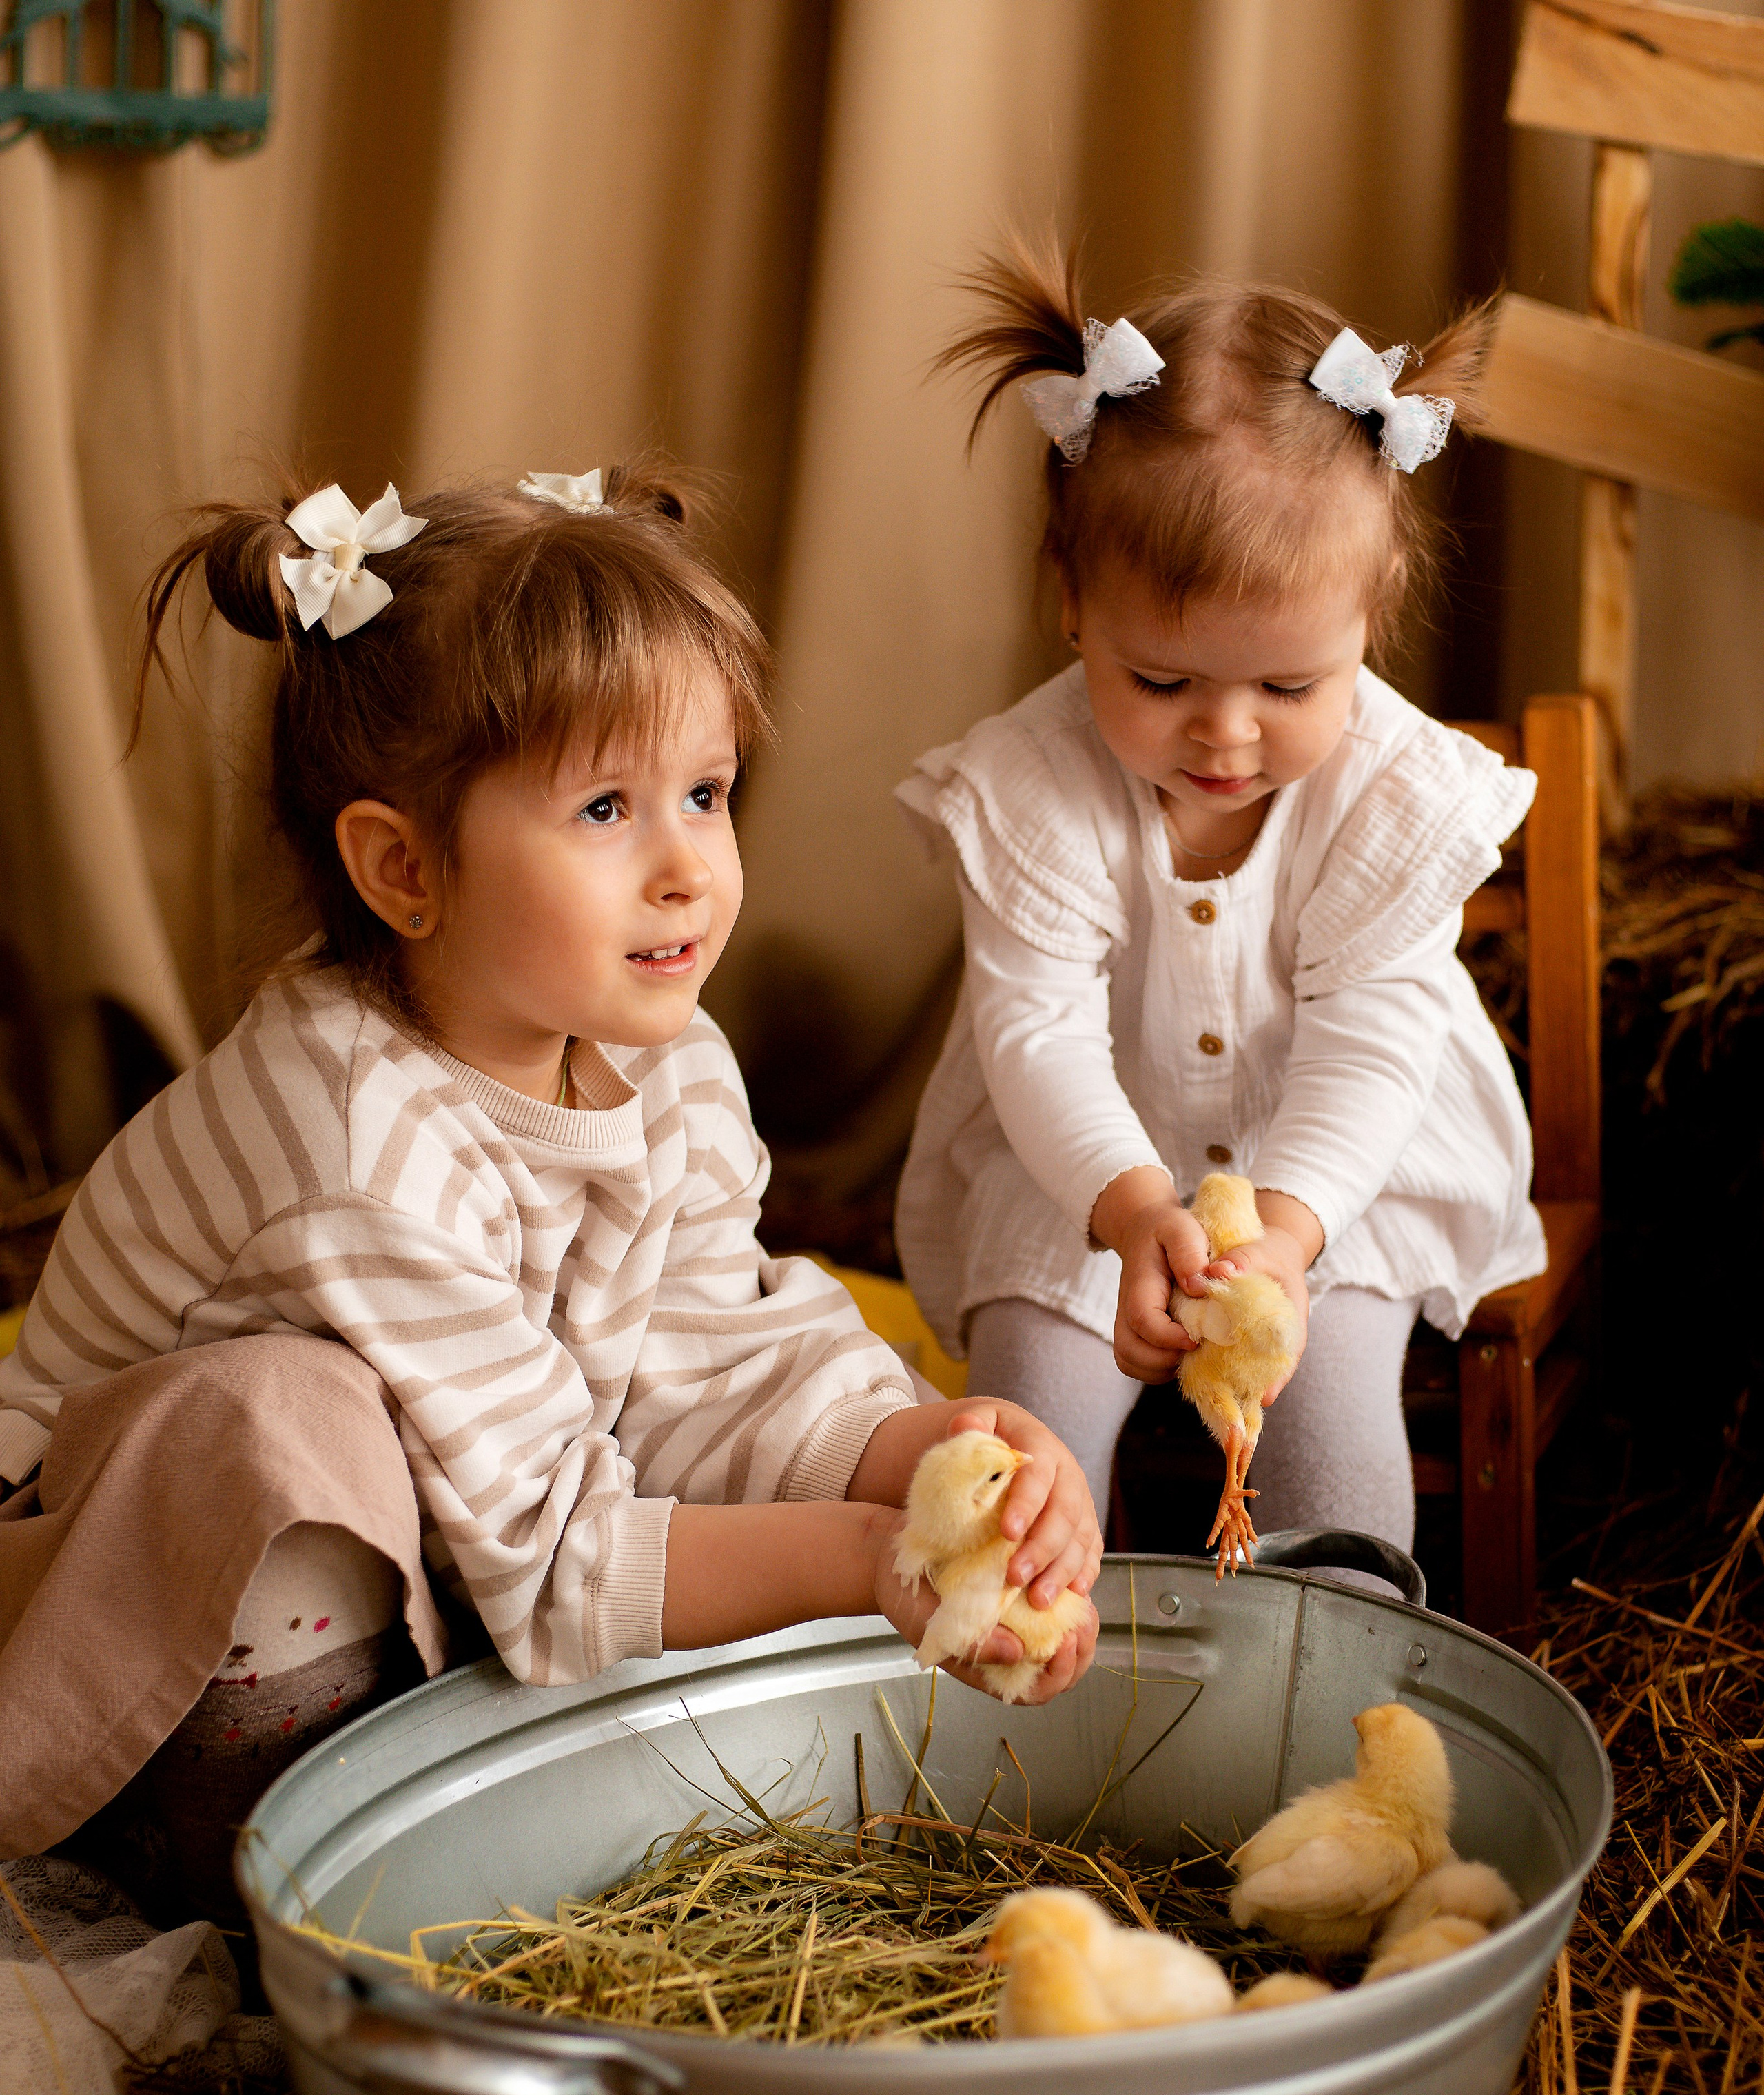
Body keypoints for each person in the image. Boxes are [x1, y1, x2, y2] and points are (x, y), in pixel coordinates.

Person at [0, 461, 1098, 1910]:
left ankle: (407, 1765)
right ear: (402, 870)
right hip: (99, 1590)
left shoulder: (668, 1059)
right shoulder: (358, 1146)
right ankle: (239, 1882)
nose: (687, 870)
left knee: (585, 1462)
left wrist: (932, 1453)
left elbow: (707, 1364)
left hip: (449, 1530)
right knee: (281, 1423)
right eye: (602, 810)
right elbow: (561, 1559)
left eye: (704, 794)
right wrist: (873, 1562)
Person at [895, 245, 1546, 1558]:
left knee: (1330, 1398)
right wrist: (1135, 1213)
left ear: (1374, 618)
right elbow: (1039, 1038)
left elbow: (1373, 1043)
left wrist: (1288, 1241)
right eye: (1164, 680)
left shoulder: (1389, 797)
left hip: (1338, 1184)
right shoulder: (1034, 788)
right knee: (1024, 1402)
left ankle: (1340, 1655)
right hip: (1085, 1166)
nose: (1226, 736)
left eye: (1290, 690)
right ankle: (1021, 1672)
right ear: (1072, 603)